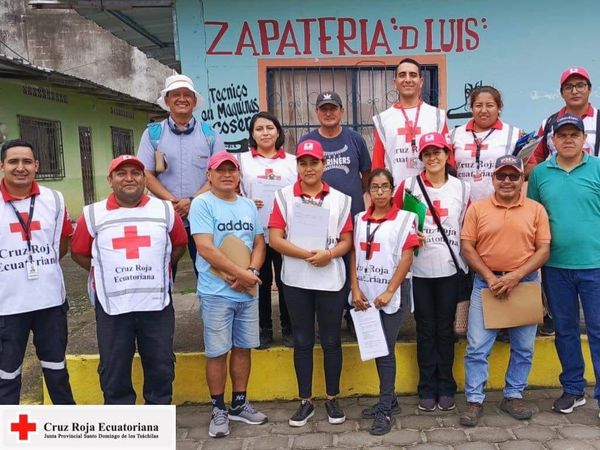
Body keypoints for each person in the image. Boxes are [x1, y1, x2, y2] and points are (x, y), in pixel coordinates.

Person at [71, 155, 188, 405]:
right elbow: (79, 252)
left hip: (156, 305)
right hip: (112, 308)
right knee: (114, 372)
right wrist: (107, 272)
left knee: (161, 367)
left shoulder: (165, 210)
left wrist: (156, 267)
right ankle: (122, 423)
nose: (129, 178)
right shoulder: (93, 214)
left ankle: (157, 422)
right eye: (121, 173)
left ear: (144, 179)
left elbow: (179, 245)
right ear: (110, 180)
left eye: (135, 173)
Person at [459, 155, 550, 426]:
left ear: (522, 179)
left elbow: (543, 249)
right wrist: (490, 277)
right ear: (493, 179)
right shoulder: (478, 209)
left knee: (523, 347)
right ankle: (474, 400)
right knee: (477, 347)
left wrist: (515, 276)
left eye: (513, 176)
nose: (507, 181)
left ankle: (513, 395)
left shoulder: (536, 210)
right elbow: (467, 247)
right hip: (486, 284)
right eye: (501, 176)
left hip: (525, 283)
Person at [269, 140, 352, 427]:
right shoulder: (283, 196)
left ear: (324, 165)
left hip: (330, 279)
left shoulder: (340, 199)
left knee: (331, 340)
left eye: (314, 162)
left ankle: (332, 398)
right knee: (302, 340)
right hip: (297, 280)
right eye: (303, 163)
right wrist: (308, 255)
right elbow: (275, 238)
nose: (308, 168)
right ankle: (305, 400)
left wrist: (329, 254)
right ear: (297, 166)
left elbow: (347, 240)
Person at [189, 152, 267, 438]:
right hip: (216, 293)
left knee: (243, 348)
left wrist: (252, 270)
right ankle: (218, 408)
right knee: (217, 352)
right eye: (220, 170)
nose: (226, 175)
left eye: (231, 170)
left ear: (238, 175)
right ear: (209, 175)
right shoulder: (202, 204)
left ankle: (239, 403)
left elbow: (259, 242)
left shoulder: (247, 205)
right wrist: (241, 274)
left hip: (246, 291)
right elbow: (205, 248)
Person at [527, 114, 600, 417]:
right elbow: (533, 216)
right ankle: (573, 389)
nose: (568, 139)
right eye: (562, 135)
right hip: (555, 266)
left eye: (574, 134)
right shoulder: (540, 174)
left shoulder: (597, 168)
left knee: (598, 330)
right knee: (565, 330)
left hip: (595, 265)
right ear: (553, 140)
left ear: (584, 138)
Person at [393, 132, 470, 412]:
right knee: (425, 330)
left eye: (437, 152)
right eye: (427, 153)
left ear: (447, 155)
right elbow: (394, 223)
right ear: (421, 158)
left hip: (450, 269)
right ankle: (426, 387)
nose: (432, 157)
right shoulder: (408, 186)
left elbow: (467, 226)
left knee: (445, 330)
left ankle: (446, 385)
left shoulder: (462, 188)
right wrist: (410, 236)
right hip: (419, 272)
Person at [0, 139, 75, 405]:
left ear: (37, 166)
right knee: (6, 376)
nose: (21, 167)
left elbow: (61, 244)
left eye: (27, 162)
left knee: (57, 372)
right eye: (13, 161)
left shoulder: (54, 199)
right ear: (2, 166)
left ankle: (68, 426)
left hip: (50, 302)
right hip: (7, 306)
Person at [350, 168, 419, 435]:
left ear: (392, 190)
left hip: (392, 294)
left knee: (385, 350)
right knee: (376, 347)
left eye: (385, 187)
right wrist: (355, 289)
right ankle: (390, 400)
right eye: (375, 187)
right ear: (368, 191)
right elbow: (354, 254)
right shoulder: (359, 219)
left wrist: (390, 290)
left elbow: (407, 257)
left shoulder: (405, 219)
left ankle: (385, 410)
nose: (380, 192)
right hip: (366, 294)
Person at [137, 74, 225, 278]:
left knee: (209, 272)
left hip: (203, 215)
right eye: (176, 94)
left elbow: (218, 174)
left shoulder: (210, 134)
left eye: (187, 95)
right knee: (162, 271)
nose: (182, 99)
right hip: (165, 215)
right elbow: (146, 174)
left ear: (194, 101)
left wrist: (192, 202)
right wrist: (174, 203)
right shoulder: (152, 134)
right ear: (167, 100)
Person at [299, 91, 372, 335]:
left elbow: (366, 174)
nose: (328, 113)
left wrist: (358, 199)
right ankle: (328, 316)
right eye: (323, 109)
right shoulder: (308, 140)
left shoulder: (355, 139)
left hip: (352, 213)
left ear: (342, 111)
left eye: (333, 108)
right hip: (318, 215)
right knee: (324, 261)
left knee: (353, 262)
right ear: (316, 112)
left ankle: (352, 311)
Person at [240, 111, 296, 349]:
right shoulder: (242, 160)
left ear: (278, 132)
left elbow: (298, 193)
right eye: (259, 129)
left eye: (270, 128)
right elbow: (234, 192)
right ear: (252, 134)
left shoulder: (292, 161)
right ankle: (263, 329)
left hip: (285, 234)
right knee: (259, 281)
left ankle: (289, 328)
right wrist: (246, 202)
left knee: (287, 281)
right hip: (255, 234)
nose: (265, 133)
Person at [372, 58, 448, 184]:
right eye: (402, 75)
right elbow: (378, 163)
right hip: (396, 190)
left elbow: (447, 158)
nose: (407, 79)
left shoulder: (437, 116)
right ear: (395, 82)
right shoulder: (383, 119)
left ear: (421, 81)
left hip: (431, 189)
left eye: (413, 75)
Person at [451, 85, 521, 202]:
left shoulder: (514, 134)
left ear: (499, 108)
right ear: (471, 108)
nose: (483, 110)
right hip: (462, 204)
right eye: (478, 105)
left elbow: (528, 167)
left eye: (490, 105)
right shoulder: (454, 134)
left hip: (501, 205)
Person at [526, 67, 599, 174]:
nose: (574, 91)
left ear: (590, 89)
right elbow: (537, 161)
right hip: (556, 183)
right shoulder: (548, 123)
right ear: (561, 93)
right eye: (568, 87)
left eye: (580, 86)